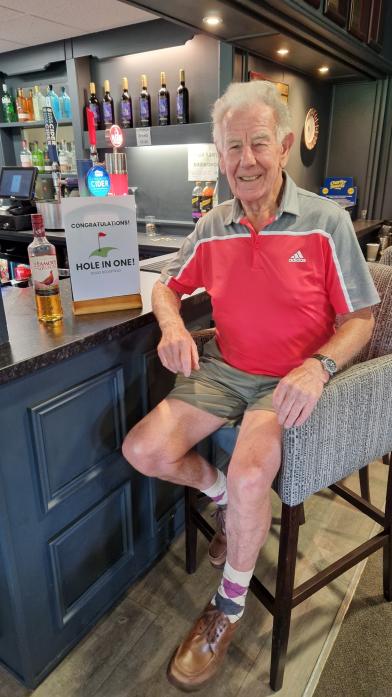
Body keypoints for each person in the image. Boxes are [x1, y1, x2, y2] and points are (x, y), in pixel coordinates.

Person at [122, 80, 379, 691]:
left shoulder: (326, 221)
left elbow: (363, 319)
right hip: (223, 371)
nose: (247, 160)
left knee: (249, 473)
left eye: (258, 143)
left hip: (286, 384)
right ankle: (223, 500)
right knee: (143, 450)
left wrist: (319, 367)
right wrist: (170, 327)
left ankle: (229, 605)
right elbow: (166, 286)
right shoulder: (213, 226)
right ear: (221, 154)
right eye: (232, 147)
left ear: (284, 146)